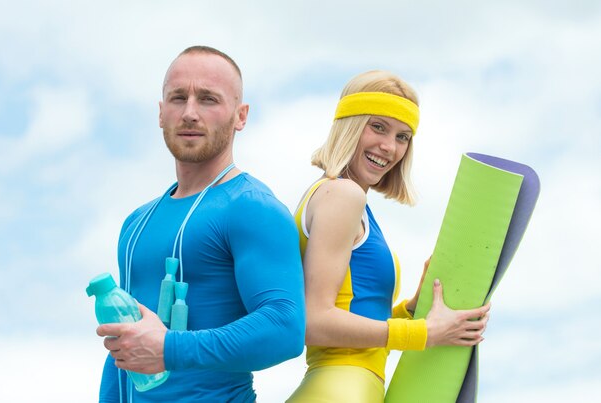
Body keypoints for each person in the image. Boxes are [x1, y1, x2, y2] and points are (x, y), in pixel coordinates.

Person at [95, 46, 306, 403]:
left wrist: (170, 348)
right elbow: (126, 350)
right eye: (178, 98)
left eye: (208, 99)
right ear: (161, 113)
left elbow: (285, 328)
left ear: (241, 116)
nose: (190, 113)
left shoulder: (252, 207)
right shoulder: (135, 223)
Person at [286, 70, 490, 402]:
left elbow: (354, 319)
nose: (388, 147)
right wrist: (425, 333)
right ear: (349, 124)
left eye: (402, 136)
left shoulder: (347, 201)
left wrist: (410, 308)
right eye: (378, 127)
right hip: (341, 390)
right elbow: (315, 320)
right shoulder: (343, 195)